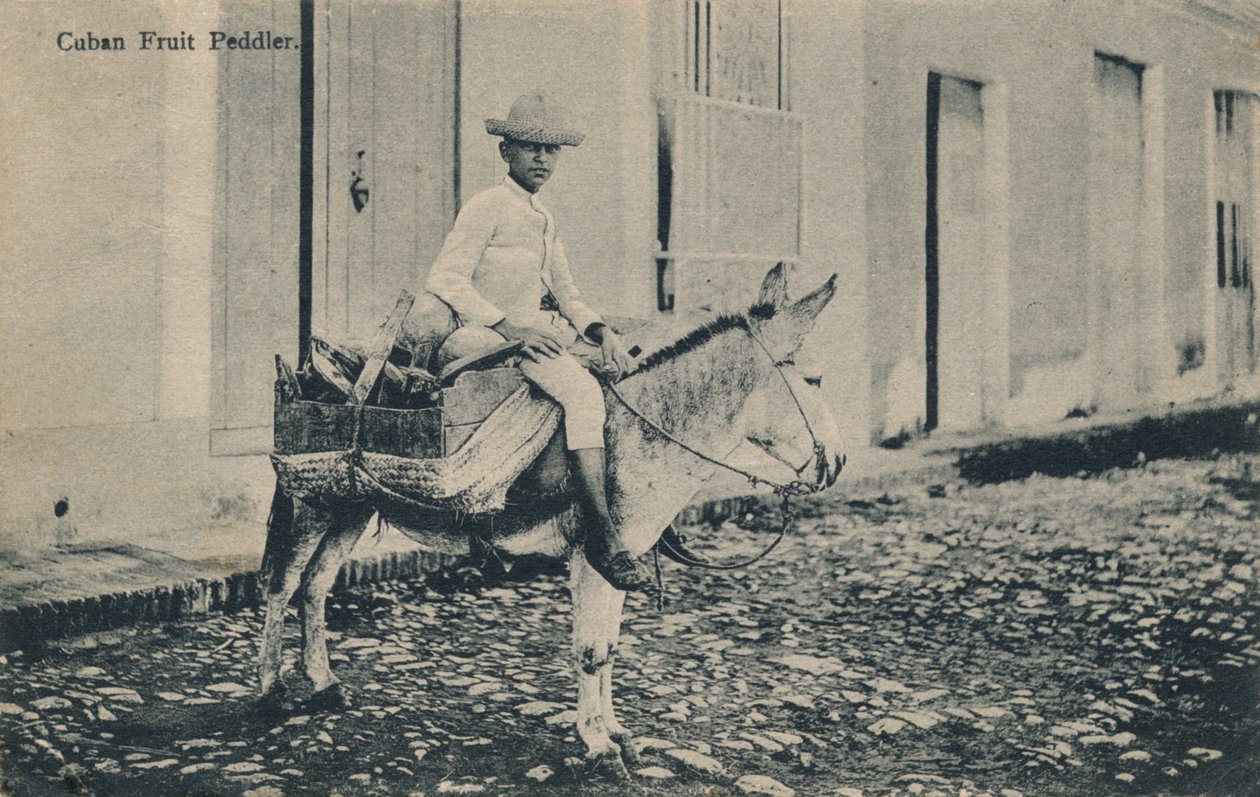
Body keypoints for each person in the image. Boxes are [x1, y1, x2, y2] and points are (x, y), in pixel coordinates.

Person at [426, 92, 656, 594]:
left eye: (551, 151)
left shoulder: (544, 219)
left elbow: (567, 292)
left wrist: (601, 333)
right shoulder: (486, 206)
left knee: (622, 378)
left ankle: (595, 513)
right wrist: (509, 329)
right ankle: (603, 539)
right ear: (506, 151)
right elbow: (446, 279)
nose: (542, 160)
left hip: (533, 334)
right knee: (582, 394)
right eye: (531, 148)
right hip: (483, 337)